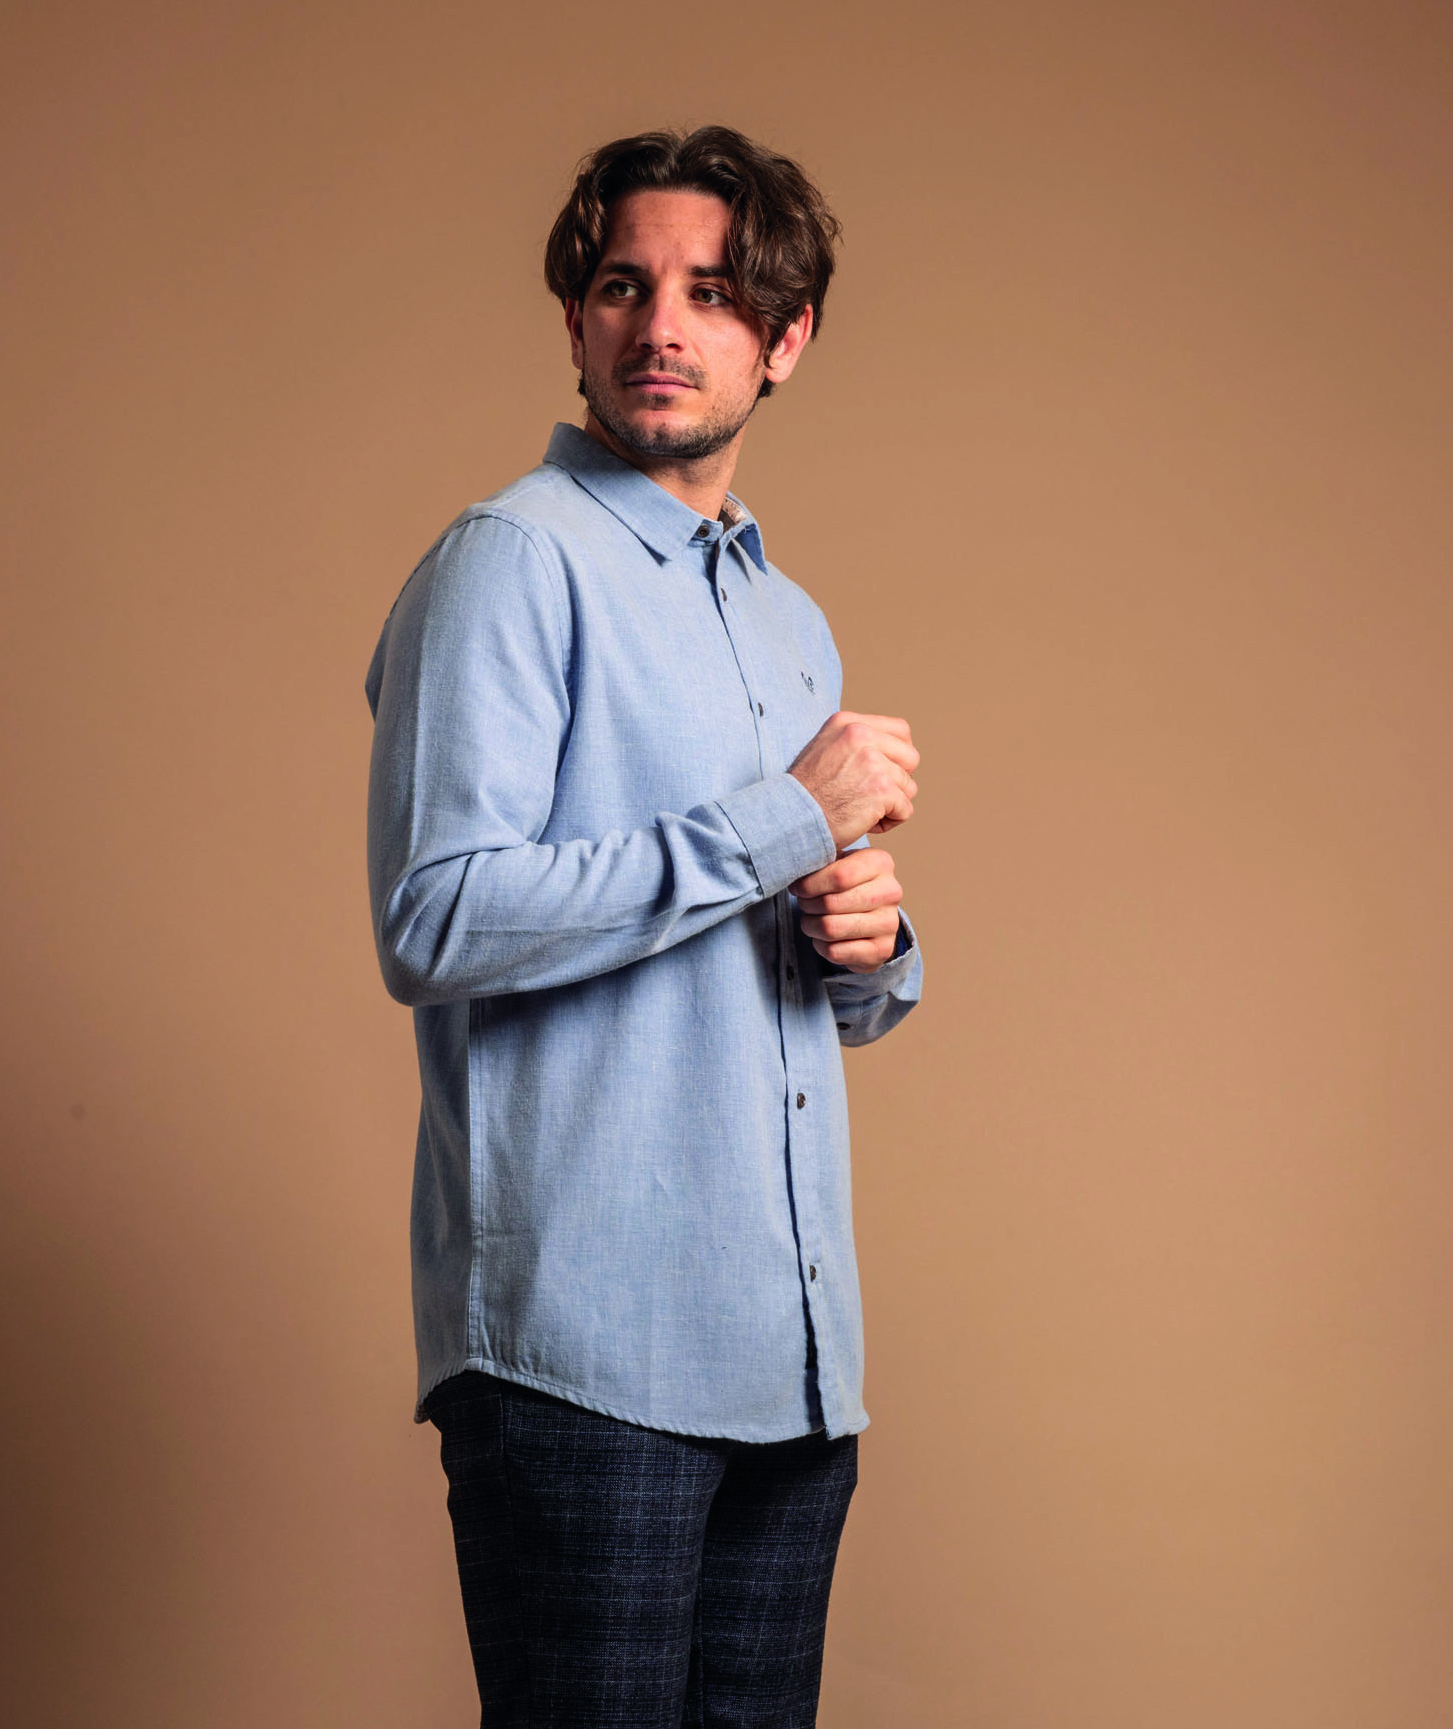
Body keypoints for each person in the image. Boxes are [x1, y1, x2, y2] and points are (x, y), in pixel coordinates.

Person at [364, 125, 924, 1727]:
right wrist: (783, 822)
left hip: (792, 1356)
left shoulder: (787, 620)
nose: (660, 327)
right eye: (624, 285)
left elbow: (789, 971)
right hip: (586, 1355)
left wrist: (870, 944)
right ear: (576, 318)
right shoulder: (508, 564)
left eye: (713, 293)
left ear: (786, 339)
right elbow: (434, 918)